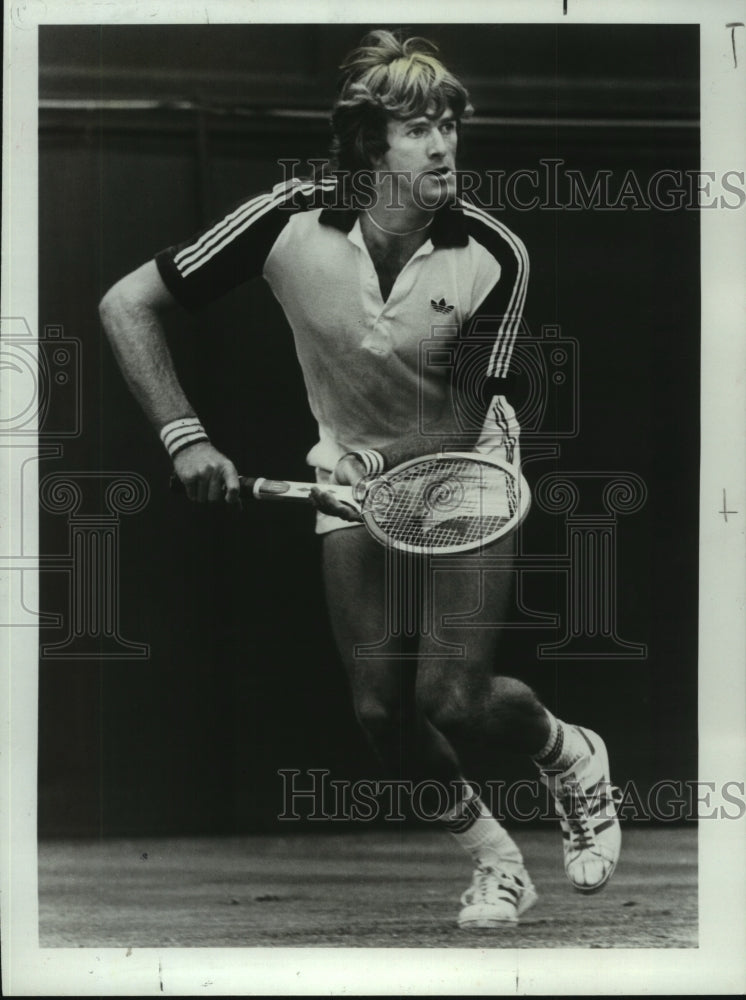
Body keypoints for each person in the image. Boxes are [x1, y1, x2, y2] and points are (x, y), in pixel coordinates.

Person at [99, 29, 620, 929]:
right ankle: (498, 863)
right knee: (383, 714)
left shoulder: (496, 251)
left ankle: (572, 756)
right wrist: (185, 437)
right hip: (348, 472)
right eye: (420, 128)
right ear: (370, 144)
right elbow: (126, 303)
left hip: (467, 474)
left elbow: (462, 418)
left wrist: (383, 464)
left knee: (451, 697)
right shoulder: (286, 218)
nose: (444, 145)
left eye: (451, 124)